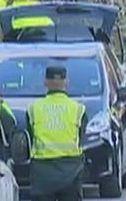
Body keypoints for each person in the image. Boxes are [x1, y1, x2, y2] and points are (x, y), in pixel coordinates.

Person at [26, 65, 87, 201]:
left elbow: (28, 139)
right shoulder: (78, 109)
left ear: (45, 82)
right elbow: (81, 139)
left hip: (43, 173)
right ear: (67, 82)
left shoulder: (33, 109)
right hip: (71, 171)